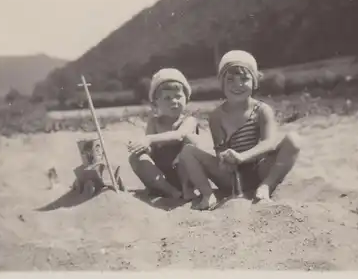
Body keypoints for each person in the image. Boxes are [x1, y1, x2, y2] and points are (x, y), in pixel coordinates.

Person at [178, 50, 301, 210]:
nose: (238, 85)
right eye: (230, 80)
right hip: (231, 177)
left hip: (259, 170)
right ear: (222, 83)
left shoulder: (262, 110)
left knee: (294, 139)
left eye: (244, 79)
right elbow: (220, 149)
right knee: (188, 151)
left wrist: (242, 157)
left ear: (255, 82)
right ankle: (208, 194)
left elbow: (269, 143)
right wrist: (225, 159)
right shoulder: (216, 116)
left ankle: (266, 186)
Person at [128, 68, 199, 200]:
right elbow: (150, 149)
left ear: (186, 98)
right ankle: (170, 191)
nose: (174, 101)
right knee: (136, 157)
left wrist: (149, 139)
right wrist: (141, 146)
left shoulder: (189, 120)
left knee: (191, 141)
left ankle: (187, 189)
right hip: (161, 175)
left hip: (184, 171)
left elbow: (180, 135)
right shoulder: (154, 122)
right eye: (167, 98)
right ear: (156, 103)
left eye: (178, 96)